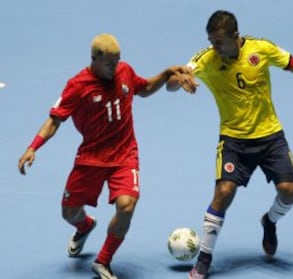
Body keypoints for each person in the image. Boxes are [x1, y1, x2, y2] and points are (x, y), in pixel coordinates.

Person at [166, 10, 293, 279]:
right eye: (211, 41)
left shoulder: (261, 49)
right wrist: (179, 81)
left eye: (219, 42)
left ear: (235, 37)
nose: (214, 47)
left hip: (270, 136)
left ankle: (269, 221)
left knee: (289, 192)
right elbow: (172, 81)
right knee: (224, 193)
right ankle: (204, 258)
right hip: (234, 140)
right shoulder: (207, 59)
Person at [18, 33, 197, 279]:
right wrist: (33, 147)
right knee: (69, 213)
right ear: (94, 59)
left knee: (127, 206)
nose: (116, 66)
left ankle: (102, 261)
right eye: (110, 62)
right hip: (91, 157)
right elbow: (55, 120)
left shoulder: (124, 71)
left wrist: (166, 73)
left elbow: (143, 88)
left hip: (124, 154)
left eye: (118, 60)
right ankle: (85, 226)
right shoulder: (77, 85)